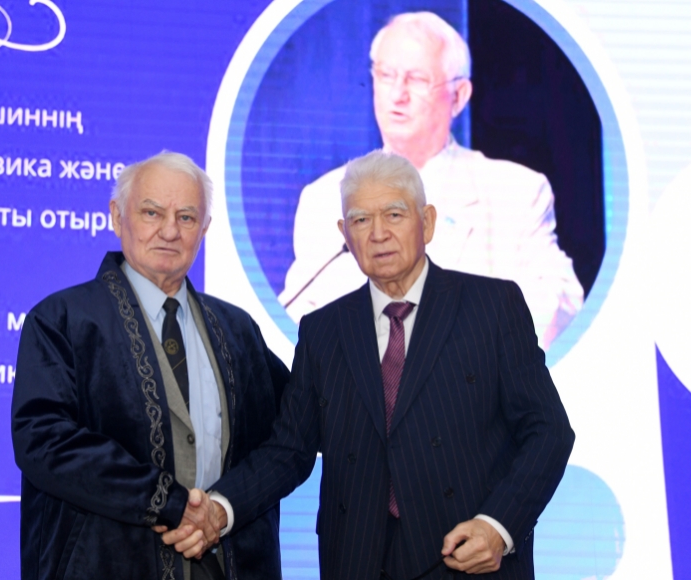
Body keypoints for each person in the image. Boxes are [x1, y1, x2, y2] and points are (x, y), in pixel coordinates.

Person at [165, 150, 575, 579]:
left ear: (427, 222)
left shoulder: (491, 307)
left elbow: (548, 431)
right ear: (344, 234)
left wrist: (499, 526)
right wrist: (220, 508)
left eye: (394, 215)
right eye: (360, 220)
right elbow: (290, 449)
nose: (378, 234)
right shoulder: (323, 330)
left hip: (468, 557)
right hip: (358, 561)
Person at [11, 151, 289, 580]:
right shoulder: (61, 320)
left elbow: (291, 438)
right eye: (152, 212)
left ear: (205, 229)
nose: (169, 231)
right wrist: (169, 503)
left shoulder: (238, 330)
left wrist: (223, 509)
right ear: (116, 216)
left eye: (186, 217)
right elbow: (44, 442)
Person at [279, 11, 584, 350]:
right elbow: (297, 319)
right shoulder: (324, 199)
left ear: (459, 96)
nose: (397, 94)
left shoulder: (514, 192)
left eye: (417, 80)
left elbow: (561, 303)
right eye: (386, 75)